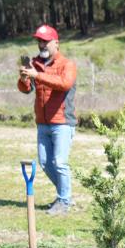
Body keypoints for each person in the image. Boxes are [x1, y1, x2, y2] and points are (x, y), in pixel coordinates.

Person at [18, 24, 77, 215]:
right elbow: (25, 89)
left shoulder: (67, 65)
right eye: (39, 41)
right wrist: (24, 78)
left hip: (62, 122)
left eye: (45, 41)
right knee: (45, 163)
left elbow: (64, 83)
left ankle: (65, 201)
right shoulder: (35, 63)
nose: (41, 44)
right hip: (42, 122)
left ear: (56, 43)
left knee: (60, 162)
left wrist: (38, 75)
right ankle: (64, 195)